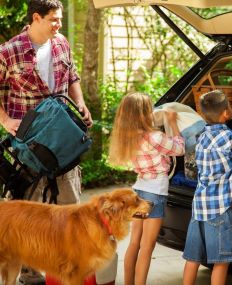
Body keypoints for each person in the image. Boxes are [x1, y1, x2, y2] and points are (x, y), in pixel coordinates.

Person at [0, 0, 92, 284]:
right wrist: (4, 120)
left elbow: (72, 76)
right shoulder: (8, 51)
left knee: (71, 207)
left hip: (63, 141)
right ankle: (30, 274)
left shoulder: (61, 43)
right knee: (28, 214)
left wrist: (80, 103)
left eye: (61, 19)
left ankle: (69, 268)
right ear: (35, 18)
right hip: (29, 147)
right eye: (54, 19)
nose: (59, 25)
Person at [182, 90, 232, 285]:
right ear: (226, 113)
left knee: (192, 258)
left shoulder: (200, 137)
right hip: (221, 208)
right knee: (221, 261)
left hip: (199, 207)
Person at [109, 92, 185, 285]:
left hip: (139, 190)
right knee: (147, 245)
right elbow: (180, 148)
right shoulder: (154, 137)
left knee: (134, 242)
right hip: (155, 193)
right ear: (144, 113)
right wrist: (173, 122)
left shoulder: (128, 137)